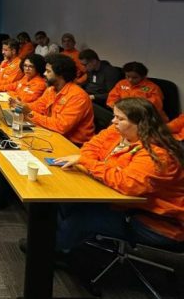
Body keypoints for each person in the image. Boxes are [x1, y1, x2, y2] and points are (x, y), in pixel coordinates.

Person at [51, 98, 184, 252]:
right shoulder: (117, 131)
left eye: (120, 118)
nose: (113, 121)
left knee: (81, 217)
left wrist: (88, 163)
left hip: (156, 221)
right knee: (66, 199)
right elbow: (89, 148)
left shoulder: (158, 154)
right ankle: (63, 243)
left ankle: (50, 253)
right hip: (124, 204)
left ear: (141, 124)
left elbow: (127, 184)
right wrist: (94, 163)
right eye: (114, 116)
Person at [16, 54, 94, 145]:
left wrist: (30, 113)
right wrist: (21, 106)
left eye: (48, 71)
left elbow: (61, 127)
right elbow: (39, 106)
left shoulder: (78, 96)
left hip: (71, 144)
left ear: (60, 75)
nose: (44, 74)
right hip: (52, 133)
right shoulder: (51, 90)